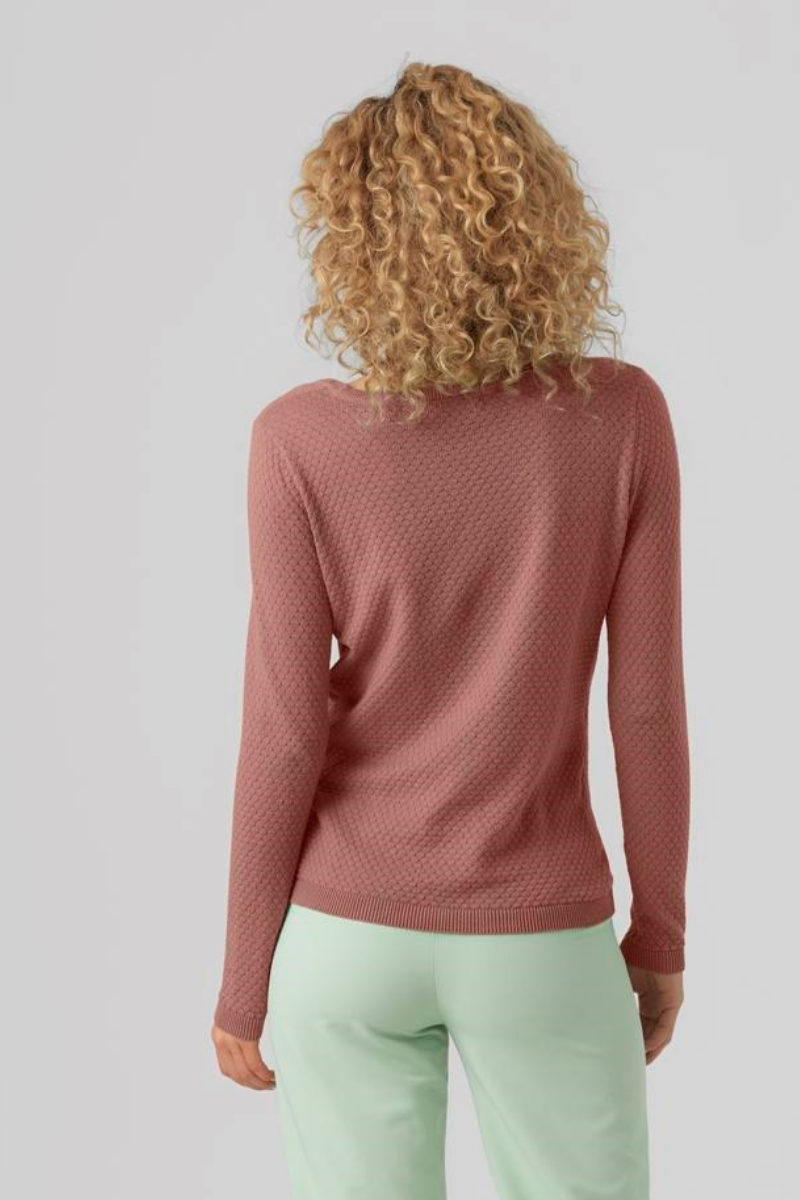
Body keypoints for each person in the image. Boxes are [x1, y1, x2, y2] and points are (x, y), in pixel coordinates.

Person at [210, 60, 690, 1200]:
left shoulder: (296, 441)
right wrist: (660, 935)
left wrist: (242, 981)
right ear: (537, 219)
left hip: (345, 937)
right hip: (541, 935)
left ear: (353, 240)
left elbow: (285, 731)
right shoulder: (620, 416)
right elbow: (644, 706)